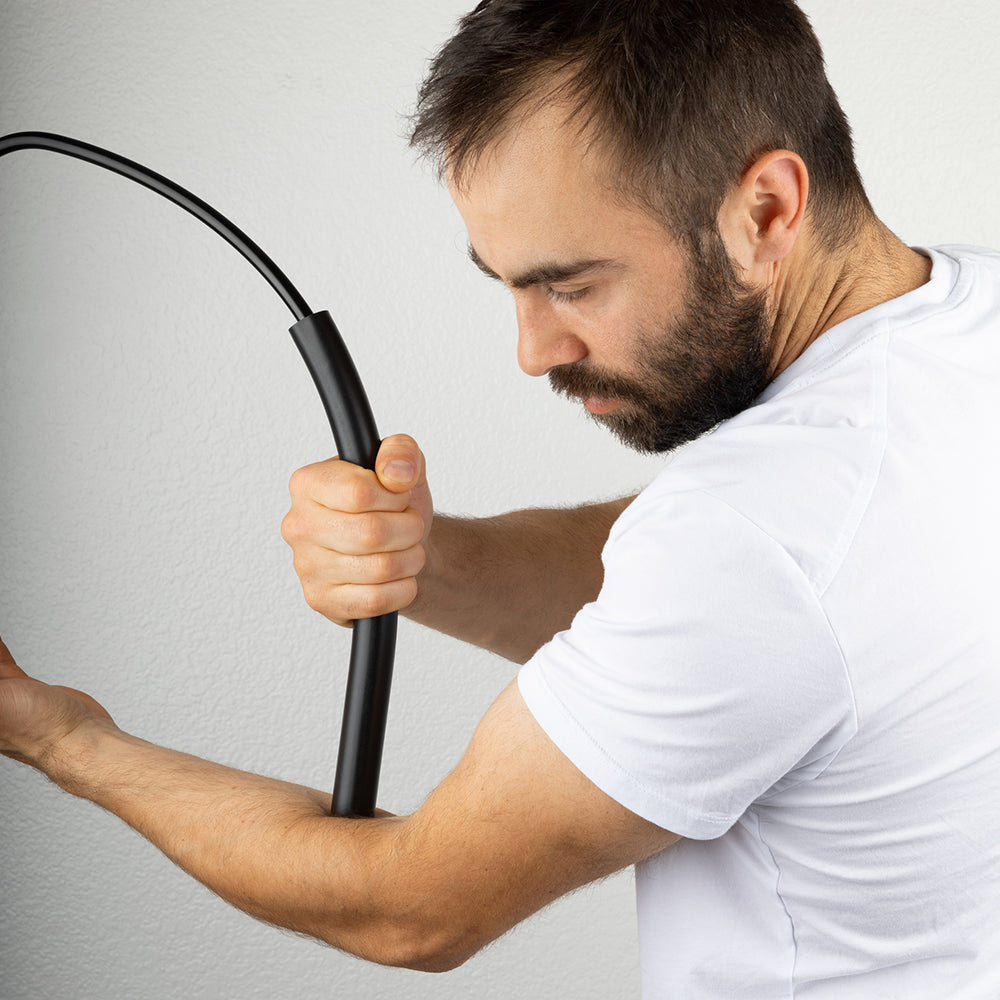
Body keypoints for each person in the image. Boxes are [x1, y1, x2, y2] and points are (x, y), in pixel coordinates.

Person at [3, 1, 1000, 996]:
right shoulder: (963, 321)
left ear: (767, 210)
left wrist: (65, 737)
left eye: (571, 285)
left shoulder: (754, 539)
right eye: (507, 286)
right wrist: (428, 561)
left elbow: (405, 905)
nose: (534, 352)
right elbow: (755, 585)